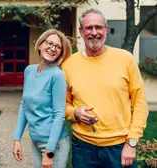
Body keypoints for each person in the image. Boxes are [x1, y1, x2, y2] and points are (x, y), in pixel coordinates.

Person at [61, 8, 149, 168]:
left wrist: (132, 142)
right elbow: (63, 105)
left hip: (120, 147)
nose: (94, 32)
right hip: (83, 148)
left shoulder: (125, 59)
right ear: (81, 31)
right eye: (88, 28)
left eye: (98, 27)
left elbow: (140, 104)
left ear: (106, 30)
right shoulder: (68, 65)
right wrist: (75, 113)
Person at [13, 29, 72, 168]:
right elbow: (24, 106)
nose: (53, 48)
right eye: (49, 43)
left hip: (54, 144)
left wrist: (49, 152)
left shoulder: (57, 76)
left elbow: (59, 115)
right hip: (35, 141)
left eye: (58, 47)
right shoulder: (29, 71)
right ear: (40, 45)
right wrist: (17, 139)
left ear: (61, 52)